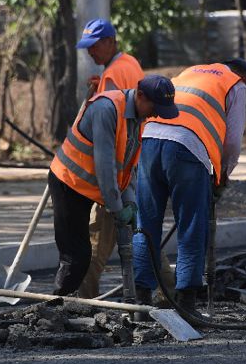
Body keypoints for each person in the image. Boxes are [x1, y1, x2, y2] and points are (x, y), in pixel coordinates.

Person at [131, 59, 246, 315]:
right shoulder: (237, 85)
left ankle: (141, 303)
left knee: (146, 224)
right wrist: (222, 176)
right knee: (192, 225)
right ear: (244, 77)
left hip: (150, 139)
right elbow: (232, 142)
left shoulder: (190, 71)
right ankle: (186, 304)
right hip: (186, 148)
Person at [48, 75, 179, 296]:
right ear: (140, 96)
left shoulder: (138, 117)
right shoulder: (106, 110)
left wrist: (130, 202)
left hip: (89, 187)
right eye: (155, 107)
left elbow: (126, 166)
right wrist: (117, 209)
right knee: (76, 256)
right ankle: (55, 307)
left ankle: (71, 306)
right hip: (68, 183)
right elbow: (105, 166)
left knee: (84, 254)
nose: (156, 113)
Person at [73, 18, 145, 299]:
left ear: (109, 42)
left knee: (95, 241)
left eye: (93, 46)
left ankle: (83, 300)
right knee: (138, 236)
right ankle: (169, 292)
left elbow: (106, 126)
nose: (90, 53)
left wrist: (110, 186)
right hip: (130, 162)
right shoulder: (128, 64)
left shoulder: (114, 74)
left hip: (116, 169)